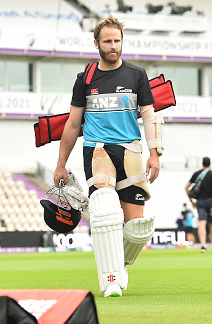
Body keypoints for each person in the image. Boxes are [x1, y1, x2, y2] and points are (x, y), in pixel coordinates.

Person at [53, 15, 164, 297]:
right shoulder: (86, 78)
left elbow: (150, 116)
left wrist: (155, 153)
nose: (113, 46)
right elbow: (72, 124)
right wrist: (61, 165)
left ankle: (120, 264)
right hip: (97, 149)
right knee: (104, 212)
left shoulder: (137, 75)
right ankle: (110, 278)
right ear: (97, 44)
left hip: (131, 151)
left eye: (117, 41)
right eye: (107, 41)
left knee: (136, 229)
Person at [185, 157, 212, 252]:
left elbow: (186, 188)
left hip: (200, 201)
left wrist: (191, 201)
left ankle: (203, 246)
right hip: (211, 202)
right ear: (210, 164)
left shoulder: (196, 174)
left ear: (202, 164)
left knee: (202, 222)